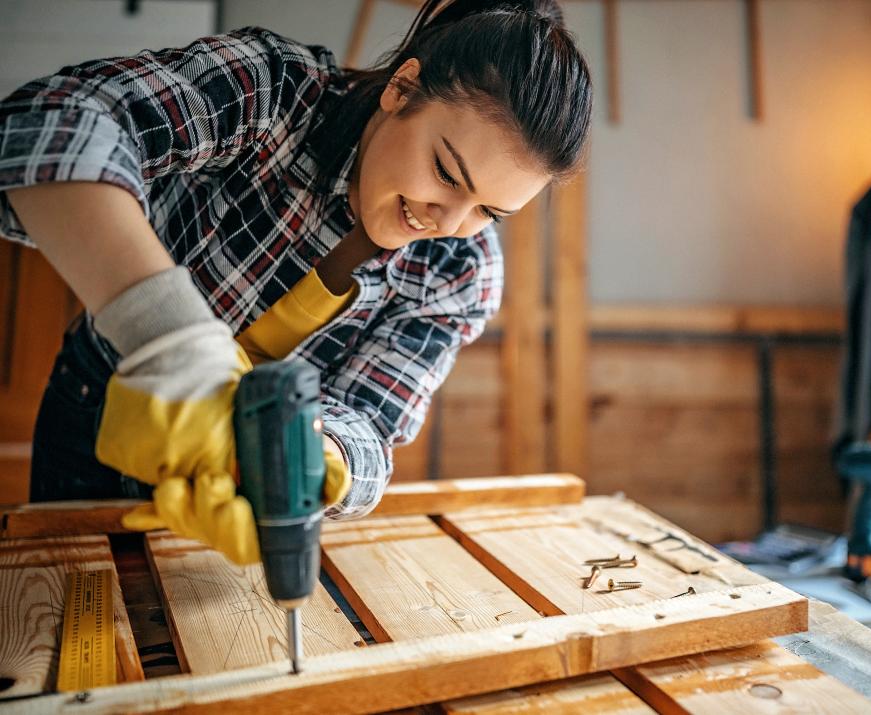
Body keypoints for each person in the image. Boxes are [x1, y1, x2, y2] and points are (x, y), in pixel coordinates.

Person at [0, 0, 592, 564]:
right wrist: (172, 344)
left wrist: (307, 462)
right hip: (95, 407)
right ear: (402, 87)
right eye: (445, 172)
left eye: (489, 211)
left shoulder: (463, 273)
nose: (448, 223)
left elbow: (370, 424)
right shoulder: (273, 92)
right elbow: (51, 122)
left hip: (244, 483)